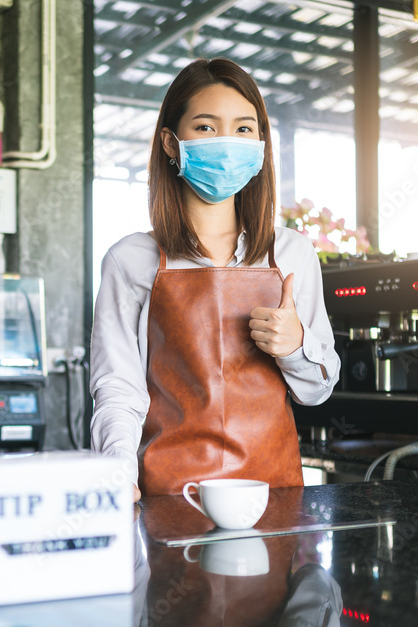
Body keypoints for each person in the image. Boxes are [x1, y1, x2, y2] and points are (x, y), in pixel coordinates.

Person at [90, 58, 340, 500]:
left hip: (272, 494)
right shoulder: (129, 260)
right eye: (206, 127)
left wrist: (295, 346)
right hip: (169, 495)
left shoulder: (291, 253)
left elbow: (317, 391)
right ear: (171, 142)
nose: (227, 143)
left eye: (244, 129)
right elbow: (118, 389)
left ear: (261, 144)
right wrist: (117, 475)